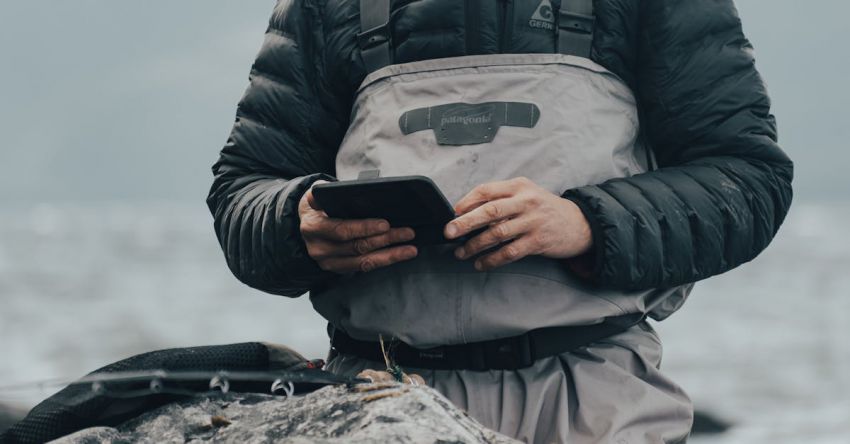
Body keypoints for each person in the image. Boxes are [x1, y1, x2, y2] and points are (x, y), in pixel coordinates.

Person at [207, 0, 793, 442]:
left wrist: (585, 223)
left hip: (593, 402)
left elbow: (748, 178)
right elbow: (243, 188)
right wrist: (295, 224)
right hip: (374, 396)